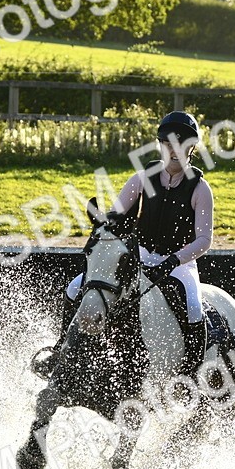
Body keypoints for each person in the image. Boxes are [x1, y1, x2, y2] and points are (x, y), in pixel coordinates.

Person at [32, 110, 214, 381]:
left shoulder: (200, 189)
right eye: (167, 144)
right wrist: (100, 220)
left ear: (191, 149)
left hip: (179, 265)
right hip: (138, 258)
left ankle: (190, 375)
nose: (173, 151)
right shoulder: (142, 179)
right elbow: (116, 219)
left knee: (194, 307)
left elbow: (204, 240)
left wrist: (174, 260)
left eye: (180, 145)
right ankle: (60, 353)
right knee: (73, 288)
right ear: (161, 145)